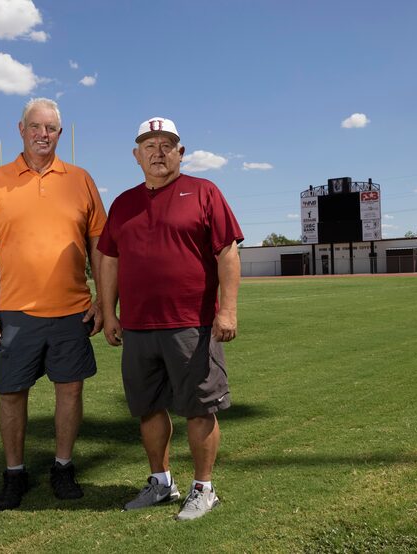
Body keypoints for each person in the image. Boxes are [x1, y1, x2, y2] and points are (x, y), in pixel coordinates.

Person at [98, 117, 243, 521]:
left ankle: (203, 488)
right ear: (136, 155)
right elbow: (109, 259)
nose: (157, 152)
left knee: (199, 408)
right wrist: (109, 311)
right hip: (139, 326)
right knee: (147, 408)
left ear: (181, 152)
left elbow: (227, 253)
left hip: (190, 324)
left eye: (166, 145)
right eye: (149, 145)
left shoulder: (204, 192)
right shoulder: (123, 203)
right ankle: (161, 482)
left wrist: (227, 310)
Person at [0, 97, 107, 511]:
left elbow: (99, 243)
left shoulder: (80, 179)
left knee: (70, 391)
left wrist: (103, 299)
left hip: (72, 310)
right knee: (11, 394)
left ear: (60, 134)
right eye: (35, 126)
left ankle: (63, 467)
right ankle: (14, 474)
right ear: (21, 129)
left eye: (51, 128)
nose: (43, 134)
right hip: (15, 312)